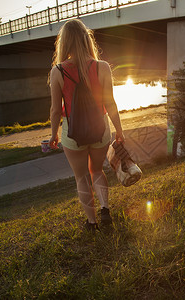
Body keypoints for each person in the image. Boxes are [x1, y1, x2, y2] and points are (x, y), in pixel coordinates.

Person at [49, 19, 125, 232]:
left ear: (64, 43)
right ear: (86, 39)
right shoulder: (102, 67)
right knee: (97, 170)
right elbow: (110, 103)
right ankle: (105, 209)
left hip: (73, 134)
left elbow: (56, 110)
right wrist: (119, 131)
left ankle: (92, 223)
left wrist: (54, 135)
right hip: (100, 129)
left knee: (81, 177)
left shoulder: (58, 71)